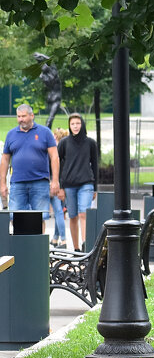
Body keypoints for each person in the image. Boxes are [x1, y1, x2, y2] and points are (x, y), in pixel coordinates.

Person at [1, 103, 61, 234]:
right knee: (15, 216)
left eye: (23, 116)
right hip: (17, 183)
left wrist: (55, 180)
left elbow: (54, 157)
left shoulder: (45, 133)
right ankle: (19, 248)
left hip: (40, 182)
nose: (20, 119)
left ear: (32, 115)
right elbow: (5, 160)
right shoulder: (11, 134)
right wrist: (2, 184)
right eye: (18, 116)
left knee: (40, 217)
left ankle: (38, 249)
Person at [58, 113, 99, 250]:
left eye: (78, 123)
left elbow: (95, 165)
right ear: (69, 126)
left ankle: (85, 245)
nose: (75, 126)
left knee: (83, 213)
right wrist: (60, 186)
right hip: (69, 185)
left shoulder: (90, 143)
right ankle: (76, 248)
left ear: (82, 124)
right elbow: (57, 164)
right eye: (72, 124)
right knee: (73, 216)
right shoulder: (64, 143)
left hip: (86, 183)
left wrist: (95, 187)